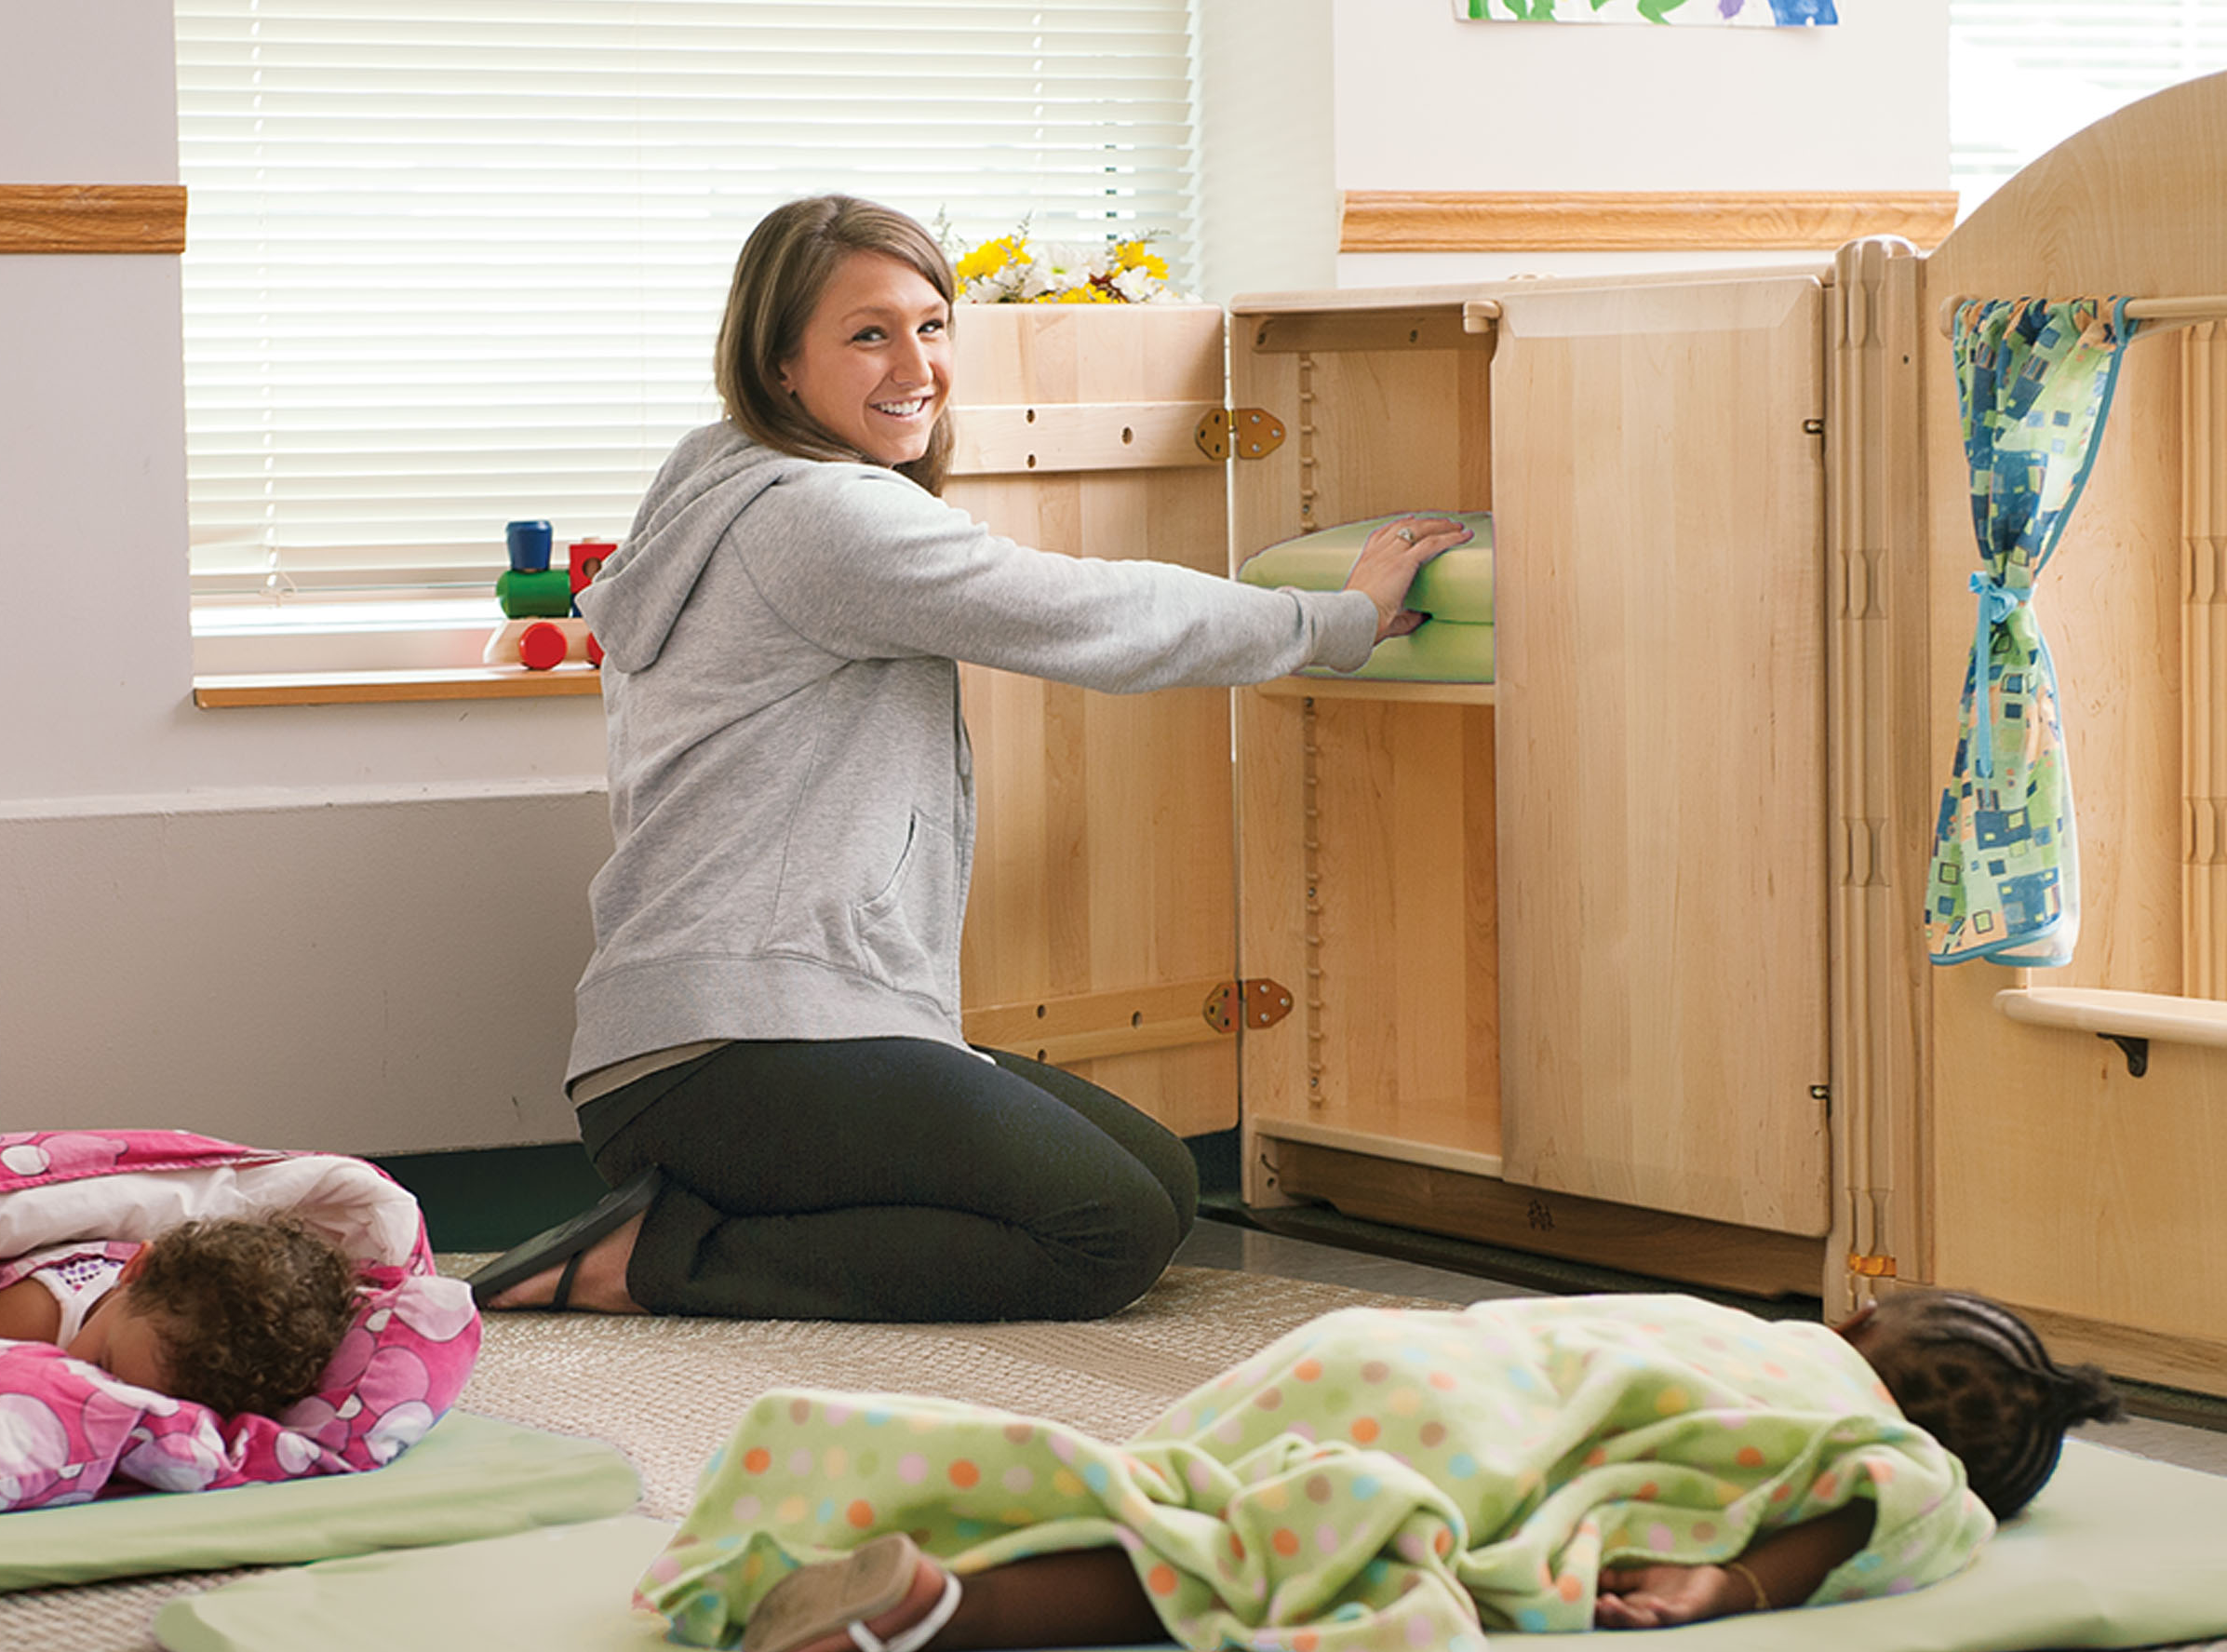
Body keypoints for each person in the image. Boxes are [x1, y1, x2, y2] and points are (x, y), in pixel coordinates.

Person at [465, 193, 1473, 1324]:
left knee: (1161, 1179)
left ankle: (697, 1212)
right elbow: (1089, 614)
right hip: (732, 1043)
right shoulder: (818, 518)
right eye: (867, 333)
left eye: (932, 325)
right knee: (1109, 1233)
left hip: (762, 1028)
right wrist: (1329, 620)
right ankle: (649, 1261)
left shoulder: (732, 483)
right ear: (781, 363)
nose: (916, 363)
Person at [635, 1287, 2119, 1652]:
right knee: (1284, 1550)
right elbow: (1891, 1508)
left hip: (1385, 1348)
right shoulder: (1875, 1442)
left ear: (1862, 1317)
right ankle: (946, 1613)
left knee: (1192, 1488)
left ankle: (917, 1522)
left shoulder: (1750, 1330)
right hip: (1456, 1430)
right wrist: (1736, 1589)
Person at [0, 1214, 361, 1420]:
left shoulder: (171, 1347)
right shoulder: (41, 1311)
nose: (99, 1393)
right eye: (104, 1366)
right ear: (134, 1270)